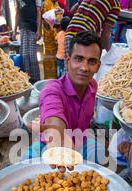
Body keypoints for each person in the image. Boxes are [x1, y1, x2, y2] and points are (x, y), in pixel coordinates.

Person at [24, 31, 106, 173]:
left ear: (98, 66)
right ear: (67, 61)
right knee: (22, 171)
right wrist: (56, 130)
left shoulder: (93, 86)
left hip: (81, 140)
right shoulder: (52, 89)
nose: (84, 68)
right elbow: (52, 109)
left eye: (91, 61)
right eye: (78, 59)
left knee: (103, 163)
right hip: (49, 143)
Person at [64, 0, 121, 72]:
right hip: (85, 36)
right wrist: (112, 55)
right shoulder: (115, 3)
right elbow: (104, 36)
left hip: (70, 30)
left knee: (69, 70)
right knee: (82, 71)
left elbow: (72, 10)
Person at [12, 0, 42, 84]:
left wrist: (38, 30)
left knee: (32, 55)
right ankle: (26, 79)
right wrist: (14, 30)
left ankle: (35, 79)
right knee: (24, 54)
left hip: (32, 27)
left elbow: (38, 12)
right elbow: (17, 13)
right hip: (22, 28)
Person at [41, 0, 63, 79]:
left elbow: (59, 18)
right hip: (49, 36)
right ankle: (49, 79)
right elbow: (46, 20)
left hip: (57, 36)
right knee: (49, 58)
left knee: (56, 58)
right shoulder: (46, 3)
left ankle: (55, 79)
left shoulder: (56, 4)